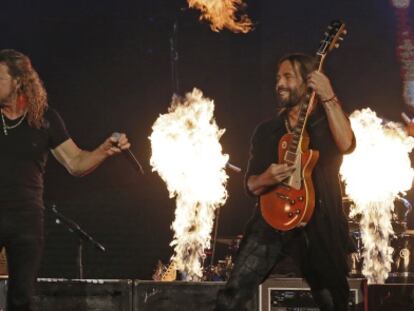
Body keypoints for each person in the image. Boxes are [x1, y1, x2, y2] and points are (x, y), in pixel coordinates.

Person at [214, 53, 356, 311]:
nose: (279, 83)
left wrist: (328, 95)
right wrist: (266, 178)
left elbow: (347, 144)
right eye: (277, 77)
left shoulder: (327, 124)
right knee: (231, 298)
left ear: (308, 82)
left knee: (334, 302)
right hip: (270, 222)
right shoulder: (267, 131)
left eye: (288, 76)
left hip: (320, 223)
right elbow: (251, 185)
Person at [0, 49, 130, 311]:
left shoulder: (44, 119)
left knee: (21, 298)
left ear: (18, 81)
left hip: (26, 219)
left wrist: (103, 150)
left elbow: (75, 163)